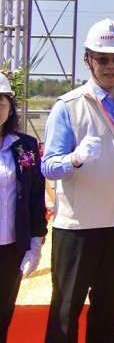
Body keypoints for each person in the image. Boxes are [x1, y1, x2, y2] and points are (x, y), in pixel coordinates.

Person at [41, 18, 114, 343]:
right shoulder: (69, 107)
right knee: (66, 314)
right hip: (78, 228)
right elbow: (48, 166)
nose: (110, 66)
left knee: (108, 312)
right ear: (87, 59)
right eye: (102, 58)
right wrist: (74, 158)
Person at [0, 73, 46, 343]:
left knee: (3, 314)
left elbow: (35, 198)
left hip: (10, 250)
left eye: (1, 102)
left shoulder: (25, 147)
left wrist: (35, 243)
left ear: (10, 106)